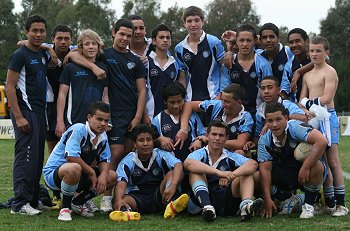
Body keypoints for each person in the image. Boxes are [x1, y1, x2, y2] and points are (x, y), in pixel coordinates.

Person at [67, 19, 147, 212]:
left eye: (129, 35)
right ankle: (103, 197)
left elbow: (142, 91)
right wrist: (94, 67)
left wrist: (138, 116)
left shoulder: (135, 60)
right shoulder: (104, 54)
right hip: (112, 114)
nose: (125, 38)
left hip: (131, 113)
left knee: (127, 153)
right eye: (122, 34)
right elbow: (72, 54)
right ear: (113, 33)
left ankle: (115, 195)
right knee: (114, 153)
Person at [43, 101, 117, 221]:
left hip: (79, 173)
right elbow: (71, 157)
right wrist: (92, 173)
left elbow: (105, 159)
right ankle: (65, 209)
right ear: (89, 117)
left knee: (112, 176)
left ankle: (77, 203)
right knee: (74, 168)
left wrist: (103, 175)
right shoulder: (78, 129)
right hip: (54, 174)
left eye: (106, 120)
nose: (103, 124)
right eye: (99, 119)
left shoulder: (103, 136)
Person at [299, 36, 348, 216]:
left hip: (328, 118)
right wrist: (305, 107)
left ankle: (342, 205)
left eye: (318, 50)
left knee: (333, 161)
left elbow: (326, 99)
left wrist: (307, 103)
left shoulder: (330, 71)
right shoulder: (307, 74)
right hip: (313, 119)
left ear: (326, 53)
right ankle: (330, 203)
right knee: (323, 163)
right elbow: (300, 100)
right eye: (311, 50)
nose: (314, 54)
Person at [6, 15, 49, 215]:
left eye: (41, 31)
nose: (38, 34)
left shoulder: (41, 55)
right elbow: (10, 86)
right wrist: (18, 116)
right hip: (25, 111)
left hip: (40, 113)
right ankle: (19, 204)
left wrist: (49, 49)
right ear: (27, 32)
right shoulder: (20, 55)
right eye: (34, 31)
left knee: (37, 158)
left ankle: (32, 200)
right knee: (26, 156)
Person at [258, 102, 327, 219]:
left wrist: (306, 167)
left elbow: (322, 141)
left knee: (318, 166)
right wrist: (267, 198)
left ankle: (309, 205)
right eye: (270, 121)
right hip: (284, 174)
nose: (274, 124)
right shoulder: (264, 140)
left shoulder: (295, 127)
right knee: (256, 176)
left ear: (286, 118)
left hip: (304, 171)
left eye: (278, 119)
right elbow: (265, 170)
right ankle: (283, 200)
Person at [184, 121, 263, 222]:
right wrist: (219, 173)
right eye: (214, 134)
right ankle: (207, 208)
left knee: (246, 174)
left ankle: (246, 207)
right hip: (200, 203)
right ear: (207, 136)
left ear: (226, 138)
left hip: (226, 201)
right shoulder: (200, 153)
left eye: (221, 135)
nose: (217, 138)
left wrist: (232, 175)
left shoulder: (231, 156)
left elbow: (253, 164)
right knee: (195, 172)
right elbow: (188, 163)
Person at [112, 124, 188, 221]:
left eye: (149, 140)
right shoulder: (128, 161)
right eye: (141, 140)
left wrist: (172, 186)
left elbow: (178, 165)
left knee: (172, 173)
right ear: (134, 144)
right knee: (120, 200)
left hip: (160, 196)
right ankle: (126, 211)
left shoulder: (160, 155)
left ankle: (172, 205)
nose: (145, 143)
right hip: (137, 197)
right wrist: (118, 200)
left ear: (153, 142)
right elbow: (121, 182)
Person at [55, 29, 108, 136]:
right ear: (81, 47)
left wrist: (107, 120)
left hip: (96, 122)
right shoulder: (70, 67)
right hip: (74, 120)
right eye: (87, 44)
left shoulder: (103, 68)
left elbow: (105, 95)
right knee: (74, 152)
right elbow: (62, 94)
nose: (91, 47)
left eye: (94, 43)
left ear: (98, 47)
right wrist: (60, 121)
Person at [179, 83, 254, 152]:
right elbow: (188, 105)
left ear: (239, 103)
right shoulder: (217, 105)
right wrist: (183, 129)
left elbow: (239, 144)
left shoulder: (246, 117)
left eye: (227, 102)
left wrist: (209, 140)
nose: (223, 104)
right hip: (209, 149)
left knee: (240, 153)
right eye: (222, 100)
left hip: (229, 153)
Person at [220, 24, 273, 117]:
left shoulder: (263, 64)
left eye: (248, 40)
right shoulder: (228, 63)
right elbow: (224, 91)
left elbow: (269, 92)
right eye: (241, 40)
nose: (245, 44)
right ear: (236, 41)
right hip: (234, 114)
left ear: (255, 41)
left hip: (258, 113)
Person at [174, 6, 225, 102]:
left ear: (203, 22)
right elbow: (182, 77)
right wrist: (182, 98)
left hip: (214, 98)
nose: (193, 24)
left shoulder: (214, 42)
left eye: (196, 20)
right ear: (184, 24)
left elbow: (224, 69)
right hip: (190, 100)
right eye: (189, 21)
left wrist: (221, 94)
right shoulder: (179, 48)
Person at [152, 82, 205, 162]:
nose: (176, 106)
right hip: (169, 164)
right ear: (165, 102)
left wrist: (199, 140)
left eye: (179, 101)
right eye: (172, 102)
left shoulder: (192, 116)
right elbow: (150, 142)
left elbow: (203, 135)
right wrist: (159, 139)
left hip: (193, 160)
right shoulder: (158, 119)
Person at [250, 76, 307, 146]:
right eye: (263, 88)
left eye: (270, 87)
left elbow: (304, 118)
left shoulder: (287, 104)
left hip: (293, 143)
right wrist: (253, 143)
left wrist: (278, 119)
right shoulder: (260, 111)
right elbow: (259, 134)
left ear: (278, 90)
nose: (266, 91)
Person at [145, 24, 180, 121]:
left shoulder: (175, 64)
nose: (165, 40)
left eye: (168, 37)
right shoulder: (146, 62)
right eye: (161, 37)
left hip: (170, 116)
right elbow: (140, 91)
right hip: (150, 115)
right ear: (154, 41)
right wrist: (144, 114)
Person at [258, 23, 293, 97]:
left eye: (271, 37)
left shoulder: (289, 52)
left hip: (289, 100)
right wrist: (229, 53)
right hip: (265, 101)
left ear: (278, 38)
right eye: (264, 37)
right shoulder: (258, 56)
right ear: (260, 40)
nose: (268, 40)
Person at [282, 28, 310, 102]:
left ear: (306, 42)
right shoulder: (289, 65)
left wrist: (299, 71)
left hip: (320, 105)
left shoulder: (316, 57)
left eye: (297, 41)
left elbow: (326, 59)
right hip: (299, 108)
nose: (294, 45)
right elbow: (285, 89)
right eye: (291, 42)